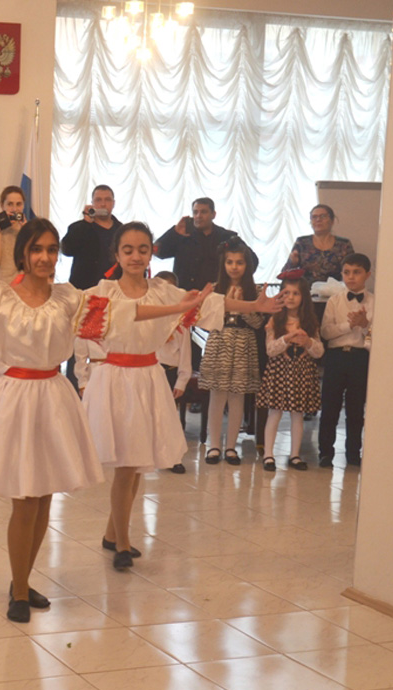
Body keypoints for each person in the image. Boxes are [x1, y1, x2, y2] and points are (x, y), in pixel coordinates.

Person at [0, 218, 212, 622]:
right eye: (37, 249)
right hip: (15, 399)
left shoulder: (68, 299)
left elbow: (126, 313)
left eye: (51, 249)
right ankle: (20, 590)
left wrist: (181, 306)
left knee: (43, 497)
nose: (45, 257)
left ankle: (22, 580)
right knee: (24, 500)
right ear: (24, 254)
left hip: (53, 398)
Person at [84, 223, 280, 570]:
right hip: (115, 379)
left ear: (150, 253)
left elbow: (206, 304)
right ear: (116, 254)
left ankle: (112, 533)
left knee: (137, 462)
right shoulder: (104, 291)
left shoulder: (161, 290)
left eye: (142, 249)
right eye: (127, 249)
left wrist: (254, 304)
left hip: (147, 376)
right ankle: (124, 543)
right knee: (126, 465)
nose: (135, 255)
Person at [198, 239, 266, 465]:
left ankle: (231, 447)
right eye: (229, 262)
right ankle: (213, 445)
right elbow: (206, 320)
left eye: (239, 262)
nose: (234, 267)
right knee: (217, 396)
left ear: (247, 265)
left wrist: (244, 305)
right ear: (223, 264)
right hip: (220, 341)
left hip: (243, 343)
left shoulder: (254, 291)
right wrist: (226, 304)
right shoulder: (215, 289)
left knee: (237, 397)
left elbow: (257, 323)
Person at [258, 270, 323, 471]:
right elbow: (270, 350)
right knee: (274, 413)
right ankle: (269, 454)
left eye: (295, 293)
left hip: (302, 373)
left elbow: (319, 352)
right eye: (286, 293)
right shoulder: (274, 321)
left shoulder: (310, 322)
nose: (291, 297)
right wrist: (286, 338)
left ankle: (295, 454)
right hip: (279, 372)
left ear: (303, 296)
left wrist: (308, 341)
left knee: (297, 414)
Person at [318, 253, 373, 468]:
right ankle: (325, 452)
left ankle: (353, 453)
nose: (351, 277)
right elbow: (326, 332)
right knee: (330, 406)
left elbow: (378, 336)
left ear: (367, 275)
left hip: (361, 358)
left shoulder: (375, 302)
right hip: (336, 357)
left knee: (356, 408)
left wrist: (366, 325)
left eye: (357, 272)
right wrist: (349, 326)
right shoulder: (334, 301)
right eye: (347, 272)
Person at [153, 197, 239, 291]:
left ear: (213, 214)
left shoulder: (226, 237)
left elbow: (251, 261)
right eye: (195, 212)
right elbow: (157, 251)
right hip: (183, 295)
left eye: (203, 212)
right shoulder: (182, 235)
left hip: (215, 296)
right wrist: (174, 232)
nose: (198, 216)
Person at [153, 271, 192, 474]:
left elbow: (185, 355)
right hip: (150, 372)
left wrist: (182, 381)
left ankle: (174, 457)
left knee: (169, 417)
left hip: (169, 373)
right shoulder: (147, 317)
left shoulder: (181, 322)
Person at [62, 184, 122, 290]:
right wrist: (86, 223)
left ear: (113, 203)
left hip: (114, 289)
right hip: (83, 289)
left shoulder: (122, 230)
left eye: (107, 200)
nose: (103, 204)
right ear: (92, 203)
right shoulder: (79, 227)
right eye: (98, 200)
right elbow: (66, 250)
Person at [286, 204, 355, 284]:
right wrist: (292, 263)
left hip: (336, 293)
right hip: (307, 293)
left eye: (323, 216)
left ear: (332, 221)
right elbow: (285, 273)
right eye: (314, 217)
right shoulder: (302, 242)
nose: (318, 219)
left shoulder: (344, 244)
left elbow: (353, 271)